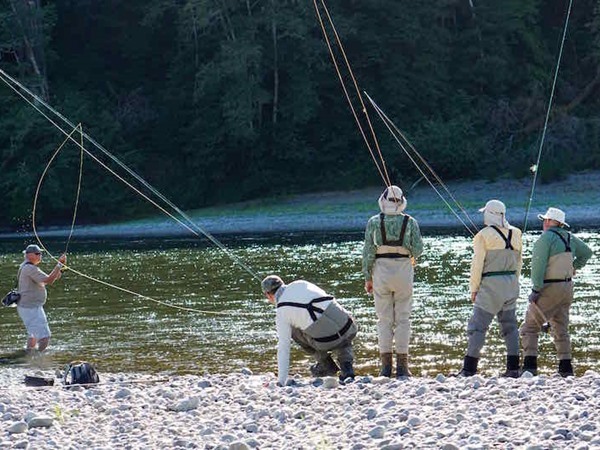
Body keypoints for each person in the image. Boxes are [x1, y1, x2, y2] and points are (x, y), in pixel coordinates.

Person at [520, 207, 592, 377]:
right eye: (544, 220)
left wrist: (536, 289)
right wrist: (574, 267)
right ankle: (566, 368)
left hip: (550, 288)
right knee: (561, 327)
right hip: (567, 288)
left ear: (555, 223)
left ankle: (529, 368)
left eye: (547, 220)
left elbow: (537, 266)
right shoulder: (570, 237)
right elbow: (587, 252)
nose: (544, 222)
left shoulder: (545, 239)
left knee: (529, 327)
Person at [362, 185, 423, 378]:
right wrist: (410, 253)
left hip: (381, 270)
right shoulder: (410, 222)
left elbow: (368, 252)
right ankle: (403, 367)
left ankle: (385, 367)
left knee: (384, 319)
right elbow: (419, 249)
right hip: (404, 269)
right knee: (403, 318)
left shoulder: (373, 221)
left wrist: (367, 277)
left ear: (383, 201)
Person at [457, 200, 523, 377]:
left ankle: (469, 368)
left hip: (490, 286)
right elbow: (519, 263)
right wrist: (513, 283)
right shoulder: (516, 233)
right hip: (511, 284)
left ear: (490, 214)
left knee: (478, 327)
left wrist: (474, 288)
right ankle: (513, 368)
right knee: (510, 327)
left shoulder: (482, 236)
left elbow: (477, 265)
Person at [261, 275, 357, 386]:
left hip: (327, 342)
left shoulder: (281, 312)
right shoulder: (300, 283)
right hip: (350, 327)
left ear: (268, 295)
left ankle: (326, 364)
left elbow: (284, 347)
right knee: (339, 329)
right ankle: (347, 366)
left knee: (293, 330)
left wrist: (281, 381)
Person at [16, 244, 66, 354]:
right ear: (29, 255)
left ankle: (29, 356)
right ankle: (40, 358)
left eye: (40, 253)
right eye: (38, 254)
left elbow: (49, 279)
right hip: (30, 308)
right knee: (45, 336)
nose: (40, 255)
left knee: (33, 335)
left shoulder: (27, 266)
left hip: (28, 307)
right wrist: (59, 264)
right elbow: (48, 280)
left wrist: (60, 269)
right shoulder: (29, 268)